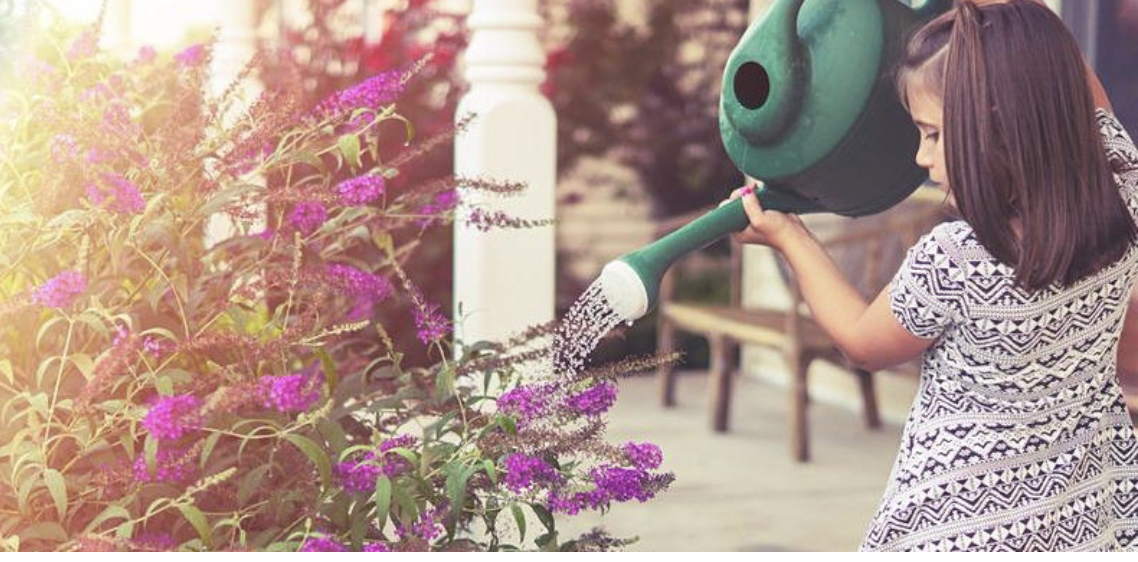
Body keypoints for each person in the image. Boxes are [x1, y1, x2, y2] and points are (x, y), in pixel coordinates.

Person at [725, 0, 1138, 551]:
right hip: (1083, 506)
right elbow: (1070, 83)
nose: (921, 155)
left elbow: (863, 343)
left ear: (998, 125)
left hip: (961, 520)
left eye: (934, 134)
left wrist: (790, 238)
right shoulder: (1122, 182)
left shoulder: (961, 256)